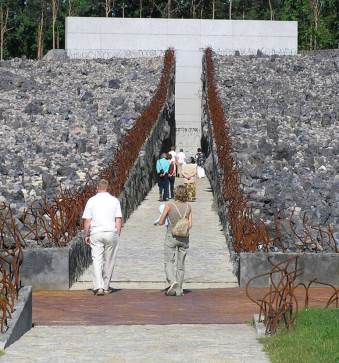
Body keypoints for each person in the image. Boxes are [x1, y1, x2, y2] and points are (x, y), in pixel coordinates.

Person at [82, 179, 122, 296]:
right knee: (109, 260)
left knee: (97, 259)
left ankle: (98, 286)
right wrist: (117, 234)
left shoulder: (91, 201)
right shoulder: (114, 200)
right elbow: (118, 219)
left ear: (97, 188)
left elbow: (87, 220)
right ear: (107, 188)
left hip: (96, 233)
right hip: (111, 232)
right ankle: (106, 286)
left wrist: (86, 235)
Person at [159, 185, 192, 296]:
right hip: (184, 237)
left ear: (175, 193)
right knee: (181, 264)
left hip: (171, 236)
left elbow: (161, 221)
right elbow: (190, 225)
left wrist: (168, 222)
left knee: (169, 261)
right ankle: (179, 289)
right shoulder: (188, 206)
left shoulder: (169, 205)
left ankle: (173, 282)